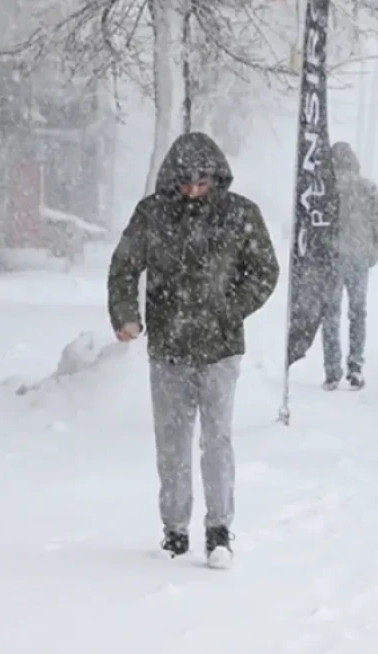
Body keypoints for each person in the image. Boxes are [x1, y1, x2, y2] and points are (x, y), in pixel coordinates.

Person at [107, 132, 280, 568]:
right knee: (172, 442)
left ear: (216, 177)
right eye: (186, 182)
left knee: (216, 439)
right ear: (173, 178)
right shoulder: (151, 215)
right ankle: (174, 529)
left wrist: (231, 309)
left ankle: (219, 529)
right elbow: (124, 266)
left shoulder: (241, 214)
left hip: (221, 350)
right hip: (168, 348)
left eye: (202, 182)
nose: (193, 190)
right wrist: (126, 315)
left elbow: (265, 269)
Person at [321, 141, 378, 390]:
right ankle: (356, 365)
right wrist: (375, 248)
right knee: (357, 313)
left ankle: (332, 370)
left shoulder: (326, 189)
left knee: (331, 314)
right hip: (359, 256)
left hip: (332, 257)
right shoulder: (367, 188)